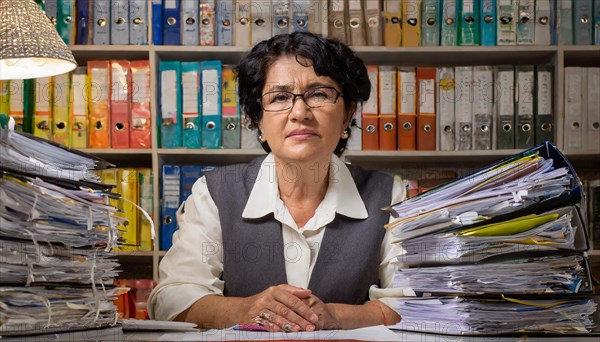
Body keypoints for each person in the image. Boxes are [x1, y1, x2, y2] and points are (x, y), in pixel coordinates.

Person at [148, 31, 405, 332]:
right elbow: (172, 299)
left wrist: (337, 317)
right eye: (280, 97)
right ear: (258, 119)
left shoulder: (390, 195)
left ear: (347, 115)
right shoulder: (215, 194)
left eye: (319, 93)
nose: (300, 113)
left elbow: (417, 302)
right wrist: (245, 309)